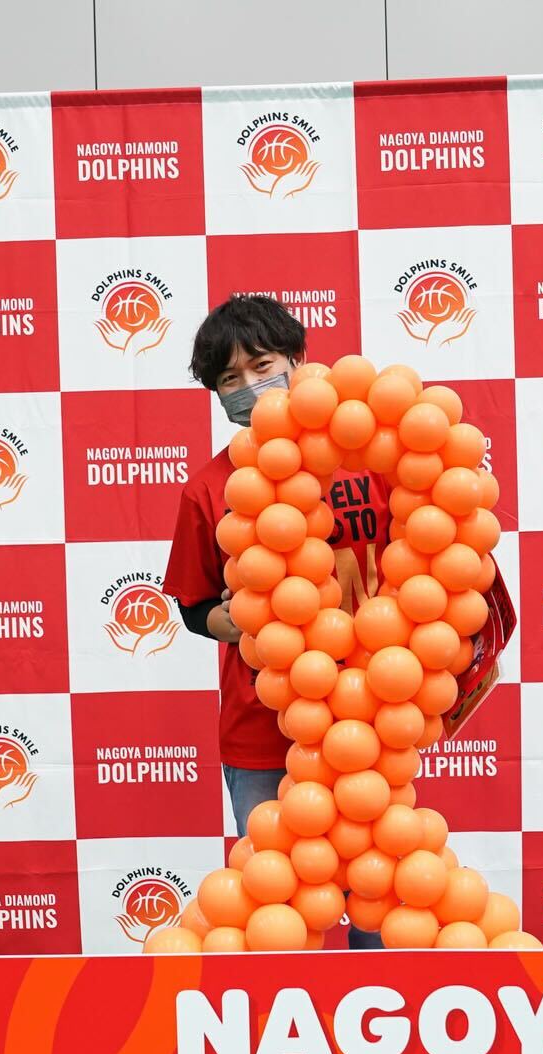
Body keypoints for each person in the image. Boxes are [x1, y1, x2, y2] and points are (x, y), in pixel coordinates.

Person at [162, 295, 390, 947]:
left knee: (377, 895)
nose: (249, 386)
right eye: (228, 379)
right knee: (276, 912)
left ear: (298, 360)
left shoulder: (368, 456)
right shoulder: (213, 488)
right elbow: (192, 607)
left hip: (370, 716)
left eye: (261, 366)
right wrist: (236, 620)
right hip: (264, 723)